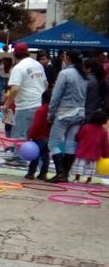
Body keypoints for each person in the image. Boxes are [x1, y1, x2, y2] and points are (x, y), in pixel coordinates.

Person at [2, 43, 47, 164]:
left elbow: (15, 88)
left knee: (20, 133)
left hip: (25, 104)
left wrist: (7, 104)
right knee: (36, 134)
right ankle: (38, 159)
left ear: (14, 54)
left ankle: (19, 157)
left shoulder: (18, 68)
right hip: (39, 103)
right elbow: (45, 84)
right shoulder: (37, 65)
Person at [48, 50, 88, 183]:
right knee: (71, 143)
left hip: (64, 112)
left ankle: (60, 173)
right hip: (80, 113)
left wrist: (51, 113)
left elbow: (56, 96)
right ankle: (64, 174)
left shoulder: (65, 73)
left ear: (68, 58)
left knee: (53, 143)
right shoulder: (84, 75)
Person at [71, 109, 109, 183]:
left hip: (82, 150)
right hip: (95, 153)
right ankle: (89, 180)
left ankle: (77, 178)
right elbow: (105, 144)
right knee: (91, 169)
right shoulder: (103, 131)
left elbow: (79, 136)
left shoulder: (86, 127)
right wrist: (106, 155)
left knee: (79, 166)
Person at [25, 90, 52, 181]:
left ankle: (30, 173)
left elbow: (36, 125)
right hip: (49, 137)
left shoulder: (41, 110)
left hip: (39, 137)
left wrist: (30, 135)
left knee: (35, 156)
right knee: (45, 156)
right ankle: (43, 174)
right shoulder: (53, 110)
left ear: (43, 99)